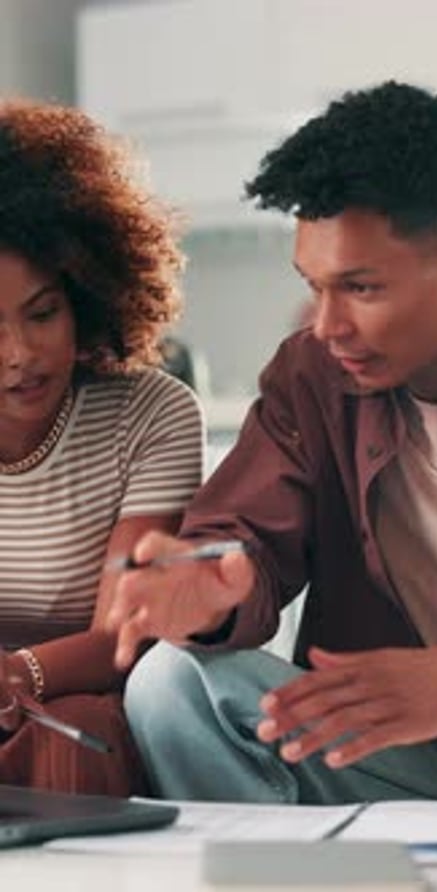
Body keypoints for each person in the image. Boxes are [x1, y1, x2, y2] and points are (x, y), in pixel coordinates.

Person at [108, 80, 437, 804]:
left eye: (361, 288)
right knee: (173, 682)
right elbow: (240, 537)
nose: (327, 325)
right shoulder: (311, 376)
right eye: (314, 286)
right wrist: (211, 588)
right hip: (397, 761)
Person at [0, 98, 203, 795]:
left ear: (85, 295)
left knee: (78, 740)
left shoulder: (151, 415)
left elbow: (125, 638)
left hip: (79, 712)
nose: (20, 355)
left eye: (43, 313)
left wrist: (17, 673)